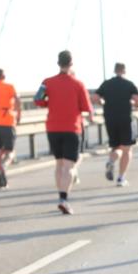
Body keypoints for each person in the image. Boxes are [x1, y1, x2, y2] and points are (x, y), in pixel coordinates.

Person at [34, 50, 94, 215]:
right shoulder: (78, 84)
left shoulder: (47, 82)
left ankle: (61, 195)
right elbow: (87, 108)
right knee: (69, 166)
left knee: (59, 164)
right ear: (71, 63)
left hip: (52, 128)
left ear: (58, 63)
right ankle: (64, 198)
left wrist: (49, 103)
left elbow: (37, 99)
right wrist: (91, 117)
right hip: (72, 128)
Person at [93, 62, 138, 187]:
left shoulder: (107, 83)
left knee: (116, 147)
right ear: (124, 70)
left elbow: (95, 97)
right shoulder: (129, 84)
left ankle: (111, 160)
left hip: (110, 118)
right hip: (125, 118)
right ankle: (121, 178)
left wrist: (103, 103)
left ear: (115, 70)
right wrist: (135, 105)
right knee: (127, 148)